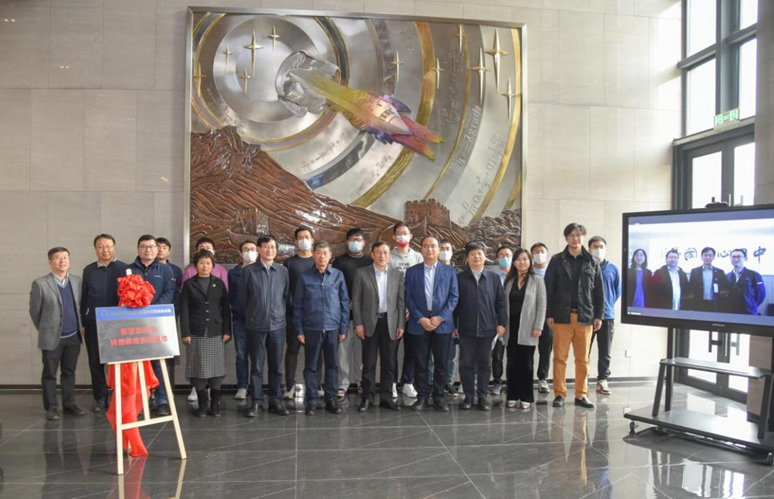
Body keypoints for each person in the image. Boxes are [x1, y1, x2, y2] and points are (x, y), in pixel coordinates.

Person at [544, 223, 604, 409]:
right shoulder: (557, 260)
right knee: (559, 358)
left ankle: (581, 394)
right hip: (562, 316)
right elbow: (549, 289)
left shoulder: (592, 261)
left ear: (583, 237)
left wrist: (599, 315)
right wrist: (549, 314)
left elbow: (599, 292)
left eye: (578, 235)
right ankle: (559, 394)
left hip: (585, 317)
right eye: (571, 235)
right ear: (566, 238)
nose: (575, 238)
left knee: (582, 359)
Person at [293, 241, 349, 415]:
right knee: (311, 366)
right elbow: (297, 305)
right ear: (313, 255)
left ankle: (331, 399)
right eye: (318, 253)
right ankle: (312, 400)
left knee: (332, 365)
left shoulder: (338, 275)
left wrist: (343, 328)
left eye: (325, 253)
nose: (322, 256)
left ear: (330, 255)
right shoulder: (304, 277)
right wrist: (299, 329)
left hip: (333, 327)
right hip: (312, 327)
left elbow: (344, 303)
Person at [30, 247, 85, 421]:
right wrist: (46, 329)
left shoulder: (76, 281)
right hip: (51, 338)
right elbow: (35, 312)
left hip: (73, 336)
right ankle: (51, 408)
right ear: (50, 262)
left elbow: (80, 306)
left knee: (69, 372)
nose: (62, 261)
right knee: (49, 374)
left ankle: (69, 404)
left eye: (65, 257)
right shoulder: (40, 283)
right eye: (58, 258)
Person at [405, 236, 459, 412]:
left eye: (433, 246)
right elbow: (408, 297)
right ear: (421, 249)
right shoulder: (412, 272)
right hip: (419, 323)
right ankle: (421, 397)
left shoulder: (449, 271)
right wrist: (420, 318)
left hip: (442, 324)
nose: (429, 249)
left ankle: (439, 397)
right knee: (420, 363)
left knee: (441, 363)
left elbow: (454, 297)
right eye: (426, 246)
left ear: (439, 249)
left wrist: (440, 317)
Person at [240, 235, 291, 417]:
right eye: (266, 247)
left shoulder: (283, 271)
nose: (270, 250)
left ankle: (275, 400)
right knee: (257, 366)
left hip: (278, 326)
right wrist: (254, 315)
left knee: (276, 366)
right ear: (259, 250)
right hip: (256, 326)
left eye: (273, 247)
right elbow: (243, 299)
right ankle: (256, 401)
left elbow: (285, 297)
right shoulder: (248, 271)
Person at [352, 241, 405, 412]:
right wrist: (358, 323)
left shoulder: (397, 275)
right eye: (379, 252)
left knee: (389, 363)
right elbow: (356, 302)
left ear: (389, 255)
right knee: (369, 363)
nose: (382, 256)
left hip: (390, 323)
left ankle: (386, 398)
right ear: (372, 254)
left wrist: (401, 324)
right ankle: (367, 398)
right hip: (369, 324)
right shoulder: (361, 273)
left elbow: (401, 302)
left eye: (385, 252)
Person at [127, 235, 177, 416]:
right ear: (138, 249)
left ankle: (162, 399)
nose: (148, 250)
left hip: (158, 323)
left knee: (159, 363)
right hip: (136, 323)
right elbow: (124, 293)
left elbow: (169, 293)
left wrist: (151, 310)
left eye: (151, 246)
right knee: (140, 363)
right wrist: (138, 307)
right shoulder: (129, 270)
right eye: (144, 246)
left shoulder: (166, 270)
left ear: (157, 249)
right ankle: (144, 398)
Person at [454, 242, 506, 411]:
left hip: (488, 329)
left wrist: (501, 323)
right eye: (472, 254)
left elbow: (501, 303)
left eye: (479, 254)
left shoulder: (493, 278)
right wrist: (454, 325)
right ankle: (468, 396)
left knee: (485, 364)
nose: (476, 257)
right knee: (466, 364)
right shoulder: (460, 278)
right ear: (467, 258)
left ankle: (482, 397)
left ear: (485, 256)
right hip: (466, 329)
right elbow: (455, 303)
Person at [180, 250, 232, 418]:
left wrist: (227, 330)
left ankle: (215, 404)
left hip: (216, 331)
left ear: (213, 265)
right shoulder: (189, 284)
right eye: (201, 263)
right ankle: (202, 404)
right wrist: (185, 331)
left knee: (216, 369)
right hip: (196, 331)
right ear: (196, 265)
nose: (205, 266)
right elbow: (184, 309)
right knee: (199, 368)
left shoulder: (219, 283)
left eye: (208, 263)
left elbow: (226, 308)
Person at [80, 234, 127, 412]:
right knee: (95, 362)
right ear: (95, 249)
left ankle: (120, 397)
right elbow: (84, 298)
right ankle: (100, 398)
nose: (105, 250)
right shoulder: (89, 270)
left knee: (119, 363)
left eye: (108, 246)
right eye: (100, 246)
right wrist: (83, 321)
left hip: (118, 324)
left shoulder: (125, 268)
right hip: (94, 323)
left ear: (114, 247)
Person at [332, 228, 372, 399]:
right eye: (352, 239)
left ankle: (361, 381)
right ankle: (343, 383)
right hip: (345, 314)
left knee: (362, 351)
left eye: (359, 239)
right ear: (347, 242)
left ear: (364, 242)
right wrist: (346, 302)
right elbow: (335, 285)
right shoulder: (339, 261)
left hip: (364, 315)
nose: (356, 242)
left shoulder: (370, 261)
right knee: (343, 351)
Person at [504, 248, 546, 409]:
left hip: (529, 328)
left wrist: (538, 326)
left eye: (525, 259)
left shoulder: (537, 280)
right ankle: (512, 395)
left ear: (530, 261)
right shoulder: (509, 280)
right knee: (512, 363)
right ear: (514, 262)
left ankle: (526, 396)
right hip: (511, 327)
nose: (522, 262)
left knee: (526, 363)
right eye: (518, 259)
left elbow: (542, 304)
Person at [388, 221, 423, 399]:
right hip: (394, 310)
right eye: (399, 233)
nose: (402, 236)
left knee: (412, 349)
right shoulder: (388, 256)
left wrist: (411, 307)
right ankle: (392, 382)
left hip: (413, 310)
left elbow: (421, 284)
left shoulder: (418, 257)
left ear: (410, 236)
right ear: (394, 237)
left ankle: (408, 382)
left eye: (405, 233)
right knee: (392, 349)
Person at [283, 225, 317, 400]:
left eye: (307, 237)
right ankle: (289, 385)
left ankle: (317, 385)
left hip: (315, 315)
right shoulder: (289, 263)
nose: (304, 240)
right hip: (293, 314)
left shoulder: (318, 261)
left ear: (312, 240)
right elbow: (285, 289)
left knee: (316, 351)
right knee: (292, 350)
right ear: (296, 242)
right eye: (300, 238)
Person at [588, 236, 621, 397]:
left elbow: (617, 291)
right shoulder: (585, 266)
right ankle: (583, 380)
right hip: (586, 316)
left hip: (607, 316)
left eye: (601, 246)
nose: (598, 249)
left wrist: (605, 307)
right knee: (583, 351)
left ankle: (602, 380)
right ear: (589, 249)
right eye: (595, 247)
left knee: (605, 351)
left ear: (606, 249)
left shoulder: (613, 269)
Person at [228, 240, 258, 401]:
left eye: (252, 249)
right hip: (240, 320)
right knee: (241, 355)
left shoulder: (262, 270)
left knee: (258, 355)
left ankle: (256, 386)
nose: (249, 252)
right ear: (240, 253)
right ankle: (242, 386)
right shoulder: (233, 273)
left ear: (257, 252)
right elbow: (231, 297)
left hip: (259, 320)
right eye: (246, 249)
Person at [432, 239, 460, 398]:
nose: (444, 251)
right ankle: (432, 383)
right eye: (441, 248)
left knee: (451, 356)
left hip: (452, 320)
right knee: (432, 357)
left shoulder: (457, 272)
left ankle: (448, 383)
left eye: (447, 248)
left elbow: (456, 298)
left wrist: (456, 323)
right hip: (432, 319)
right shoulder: (431, 270)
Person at [490, 245, 513, 396]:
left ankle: (512, 383)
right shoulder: (493, 278)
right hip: (498, 320)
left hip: (515, 321)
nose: (505, 258)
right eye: (501, 255)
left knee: (513, 355)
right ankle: (497, 382)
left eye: (508, 255)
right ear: (497, 259)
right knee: (497, 355)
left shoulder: (518, 277)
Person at [530, 242, 552, 394]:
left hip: (548, 317)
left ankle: (542, 378)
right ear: (532, 255)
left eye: (542, 251)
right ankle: (526, 377)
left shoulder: (553, 271)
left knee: (545, 349)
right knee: (528, 350)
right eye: (536, 252)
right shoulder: (528, 272)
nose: (539, 254)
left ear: (547, 254)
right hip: (530, 316)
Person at [688, 247, 730, 312]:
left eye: (710, 255)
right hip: (698, 304)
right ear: (701, 257)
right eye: (705, 255)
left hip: (715, 304)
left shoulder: (720, 272)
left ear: (713, 257)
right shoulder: (694, 271)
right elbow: (691, 289)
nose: (707, 257)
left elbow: (723, 289)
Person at [726, 248, 766, 315]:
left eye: (739, 256)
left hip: (749, 312)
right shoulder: (727, 276)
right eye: (733, 257)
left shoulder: (754, 275)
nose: (736, 259)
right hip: (731, 312)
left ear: (744, 258)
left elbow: (761, 294)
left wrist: (752, 306)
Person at [155, 237, 183, 312]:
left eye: (164, 248)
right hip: (151, 309)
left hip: (171, 309)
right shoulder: (147, 268)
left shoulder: (176, 270)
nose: (161, 250)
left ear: (169, 252)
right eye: (158, 247)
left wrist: (175, 309)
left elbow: (178, 291)